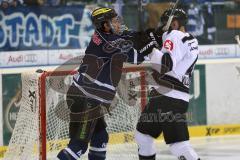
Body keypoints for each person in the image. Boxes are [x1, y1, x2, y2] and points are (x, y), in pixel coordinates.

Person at [57, 7, 159, 160]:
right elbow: (136, 58)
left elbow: (127, 36)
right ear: (105, 25)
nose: (118, 23)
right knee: (78, 146)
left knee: (100, 138)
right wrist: (150, 43)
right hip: (88, 101)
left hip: (83, 97)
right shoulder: (110, 43)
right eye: (114, 21)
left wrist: (143, 35)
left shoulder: (105, 36)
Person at [135, 8, 201, 160]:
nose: (163, 27)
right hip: (171, 97)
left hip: (168, 97)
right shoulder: (191, 40)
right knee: (143, 136)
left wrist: (149, 47)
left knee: (179, 146)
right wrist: (154, 42)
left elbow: (166, 64)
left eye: (165, 24)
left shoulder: (175, 35)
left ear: (175, 23)